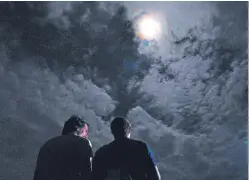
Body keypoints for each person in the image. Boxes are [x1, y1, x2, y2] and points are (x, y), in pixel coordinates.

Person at [92, 117, 161, 180]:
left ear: (112, 132)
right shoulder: (142, 147)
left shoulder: (101, 153)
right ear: (129, 131)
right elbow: (155, 176)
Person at [33, 115, 93, 180]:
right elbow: (88, 173)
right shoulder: (84, 143)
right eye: (86, 131)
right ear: (77, 128)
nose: (86, 136)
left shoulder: (48, 144)